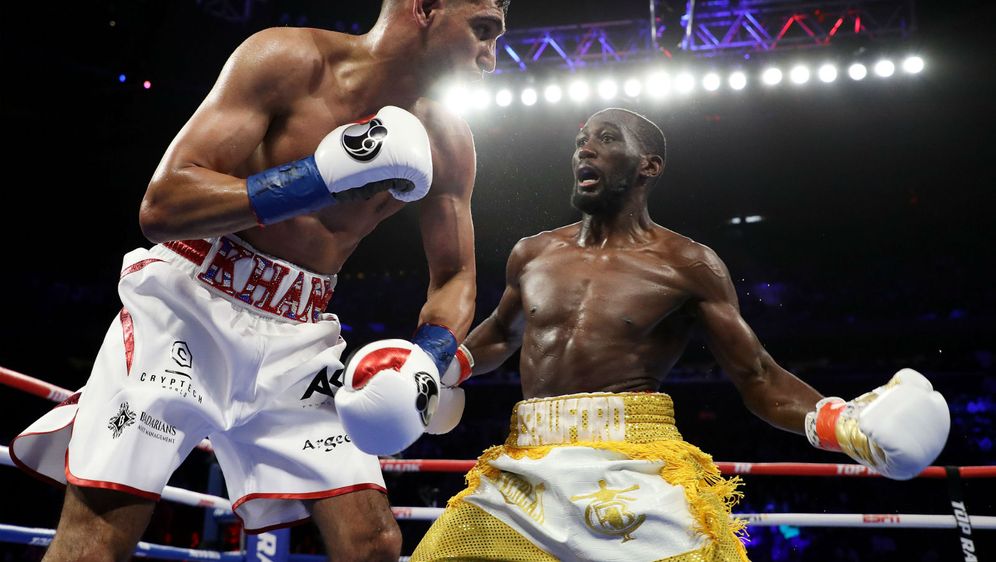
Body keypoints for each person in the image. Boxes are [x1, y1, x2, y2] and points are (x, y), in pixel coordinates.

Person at [9, 1, 508, 560]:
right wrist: (314, 179)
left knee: (374, 542)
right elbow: (162, 204)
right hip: (188, 307)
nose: (490, 58)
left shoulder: (448, 140)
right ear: (426, 8)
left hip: (299, 336)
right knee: (99, 537)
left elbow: (457, 274)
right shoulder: (289, 60)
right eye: (482, 31)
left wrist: (431, 353)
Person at [411, 108, 950, 561]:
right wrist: (437, 370)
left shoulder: (686, 264)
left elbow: (757, 375)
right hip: (523, 465)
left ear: (648, 166)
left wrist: (838, 423)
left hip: (631, 460)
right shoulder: (533, 253)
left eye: (604, 139)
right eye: (580, 142)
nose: (584, 151)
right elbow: (501, 334)